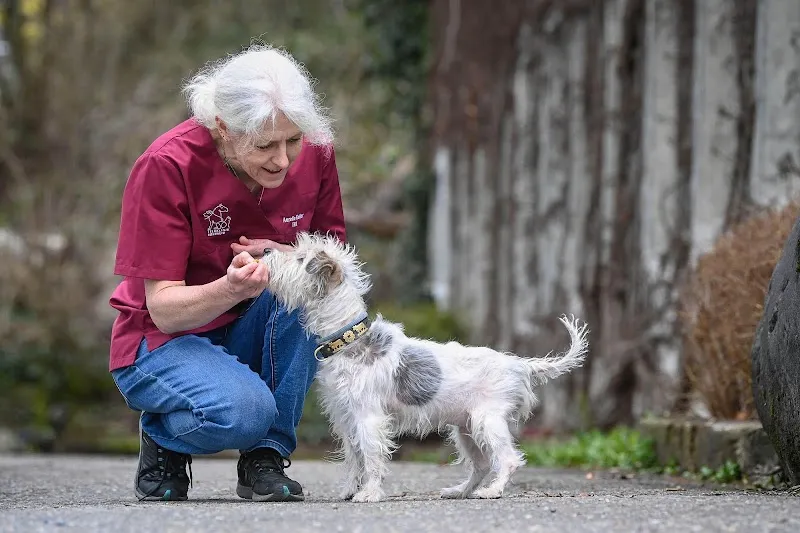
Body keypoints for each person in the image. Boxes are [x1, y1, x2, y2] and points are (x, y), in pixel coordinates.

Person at [108, 43, 347, 503]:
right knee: (244, 413)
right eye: (265, 145)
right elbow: (166, 312)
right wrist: (229, 287)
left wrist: (283, 255)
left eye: (293, 140)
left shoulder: (314, 151)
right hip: (164, 339)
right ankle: (164, 434)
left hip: (252, 327)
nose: (283, 160)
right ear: (223, 127)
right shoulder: (167, 164)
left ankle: (265, 457)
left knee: (306, 287)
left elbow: (332, 265)